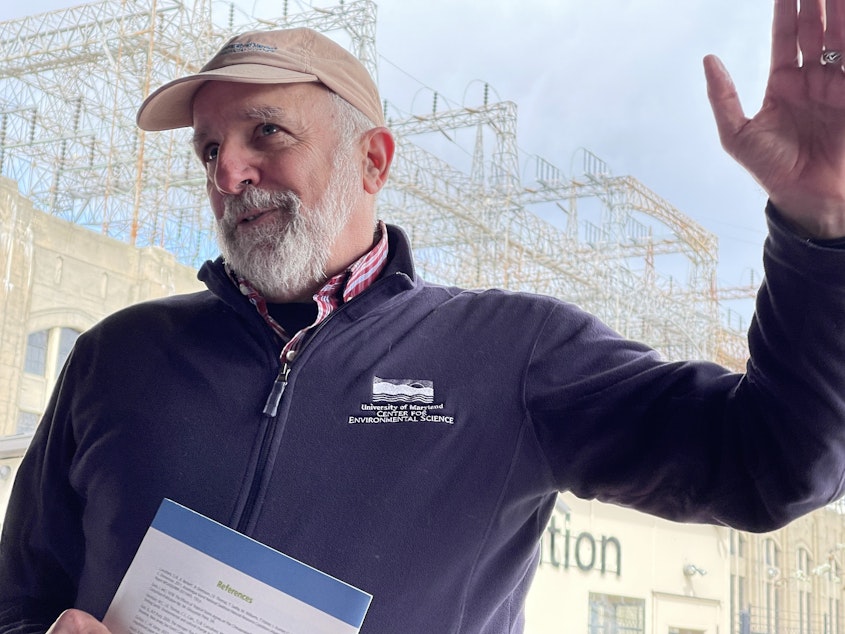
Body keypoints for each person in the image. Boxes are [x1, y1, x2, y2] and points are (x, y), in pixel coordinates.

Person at [4, 1, 845, 631]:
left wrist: (820, 229)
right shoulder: (118, 358)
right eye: (209, 150)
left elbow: (775, 464)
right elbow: (20, 598)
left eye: (266, 132)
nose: (229, 173)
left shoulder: (515, 354)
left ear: (372, 159)